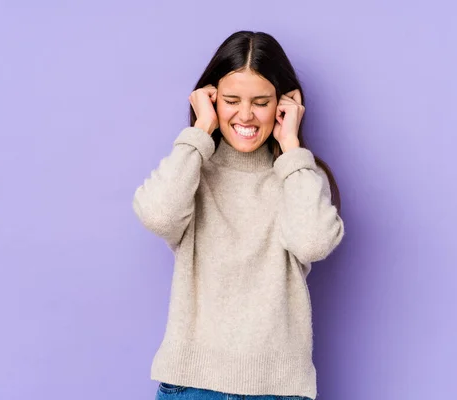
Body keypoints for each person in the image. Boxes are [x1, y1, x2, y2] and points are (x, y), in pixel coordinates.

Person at [133, 30, 345, 400]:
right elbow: (158, 215)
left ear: (282, 104)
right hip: (194, 385)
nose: (245, 114)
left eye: (260, 102)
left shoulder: (299, 176)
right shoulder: (193, 170)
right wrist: (200, 131)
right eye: (231, 100)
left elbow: (312, 243)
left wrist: (291, 148)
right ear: (211, 99)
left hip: (278, 391)